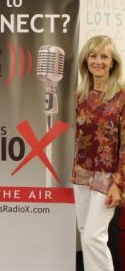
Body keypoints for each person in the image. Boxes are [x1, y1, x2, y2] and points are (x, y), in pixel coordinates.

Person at [72, 35, 125, 271]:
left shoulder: (122, 96)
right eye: (93, 56)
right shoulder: (80, 96)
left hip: (108, 178)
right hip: (81, 174)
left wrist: (119, 184)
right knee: (86, 233)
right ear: (86, 60)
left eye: (104, 56)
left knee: (93, 237)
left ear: (113, 61)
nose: (98, 61)